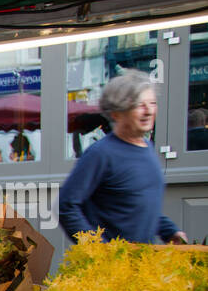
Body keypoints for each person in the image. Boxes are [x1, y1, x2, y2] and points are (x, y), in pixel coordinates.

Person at [59, 71, 188, 245]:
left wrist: (170, 231)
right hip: (112, 269)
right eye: (139, 105)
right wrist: (98, 249)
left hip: (143, 265)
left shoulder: (147, 148)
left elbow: (138, 206)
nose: (149, 111)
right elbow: (66, 206)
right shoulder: (101, 154)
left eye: (152, 103)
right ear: (116, 114)